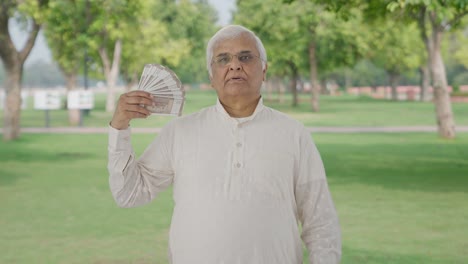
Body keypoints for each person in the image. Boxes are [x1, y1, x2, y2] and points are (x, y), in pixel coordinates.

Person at [108, 25, 341, 264]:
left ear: (264, 70)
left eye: (245, 57)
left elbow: (321, 222)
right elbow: (128, 194)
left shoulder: (294, 134)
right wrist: (119, 127)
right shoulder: (179, 132)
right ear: (211, 76)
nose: (235, 65)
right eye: (223, 59)